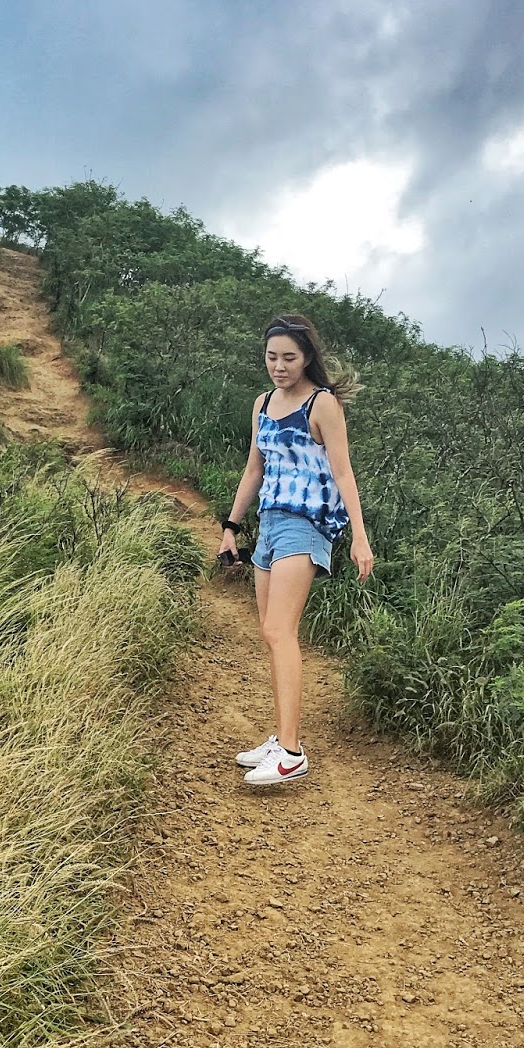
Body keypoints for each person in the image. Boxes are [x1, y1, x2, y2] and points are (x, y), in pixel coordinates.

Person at [219, 313, 374, 785]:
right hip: (269, 524)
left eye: (289, 357)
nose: (280, 366)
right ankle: (282, 737)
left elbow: (344, 473)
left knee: (280, 630)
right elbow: (253, 470)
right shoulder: (262, 403)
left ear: (307, 357)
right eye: (272, 357)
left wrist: (360, 537)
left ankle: (290, 753)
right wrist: (231, 525)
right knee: (270, 633)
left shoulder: (322, 405)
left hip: (306, 525)